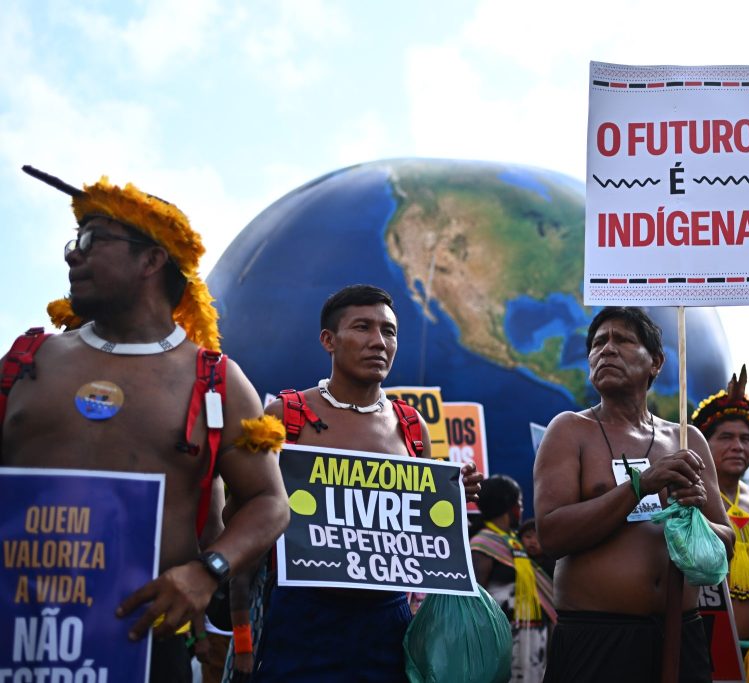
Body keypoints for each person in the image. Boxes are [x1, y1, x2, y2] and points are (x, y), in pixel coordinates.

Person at [1, 170, 290, 683]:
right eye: (75, 240)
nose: (73, 254)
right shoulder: (27, 361)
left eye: (92, 240)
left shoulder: (214, 380)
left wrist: (208, 571)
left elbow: (269, 503)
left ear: (152, 259)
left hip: (146, 646)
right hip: (15, 633)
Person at [252, 284, 483, 682]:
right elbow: (243, 512)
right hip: (301, 619)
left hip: (387, 623)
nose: (379, 342)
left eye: (389, 332)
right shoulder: (285, 415)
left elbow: (421, 536)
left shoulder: (412, 427)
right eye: (362, 327)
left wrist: (447, 497)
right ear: (329, 339)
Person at [533, 306, 734, 683]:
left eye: (622, 340)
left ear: (656, 362)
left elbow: (726, 544)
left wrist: (695, 516)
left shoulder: (687, 440)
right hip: (598, 639)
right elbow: (552, 535)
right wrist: (640, 485)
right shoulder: (570, 431)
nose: (605, 350)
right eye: (597, 343)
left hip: (681, 634)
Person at [692, 366, 749, 682]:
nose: (738, 446)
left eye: (746, 438)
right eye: (726, 437)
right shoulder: (691, 496)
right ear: (703, 443)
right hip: (709, 652)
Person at [471, 475, 557, 683]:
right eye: (519, 504)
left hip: (532, 639)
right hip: (503, 639)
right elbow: (474, 601)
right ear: (508, 506)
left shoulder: (515, 542)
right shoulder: (482, 544)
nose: (521, 509)